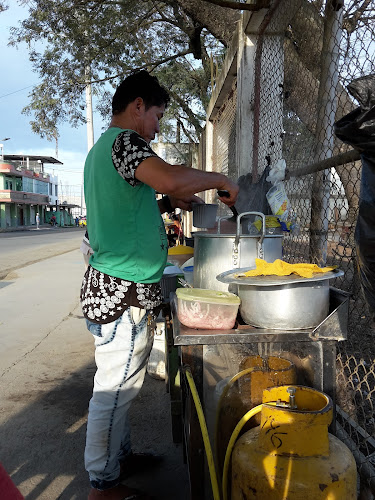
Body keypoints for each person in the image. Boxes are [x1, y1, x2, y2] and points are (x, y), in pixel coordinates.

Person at [80, 70, 238, 500]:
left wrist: (168, 203)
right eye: (157, 116)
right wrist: (219, 180)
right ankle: (102, 485)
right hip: (123, 290)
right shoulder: (126, 143)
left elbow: (130, 203)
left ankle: (119, 457)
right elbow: (168, 176)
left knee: (119, 384)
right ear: (137, 107)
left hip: (109, 286)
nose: (156, 127)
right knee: (114, 390)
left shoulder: (101, 151)